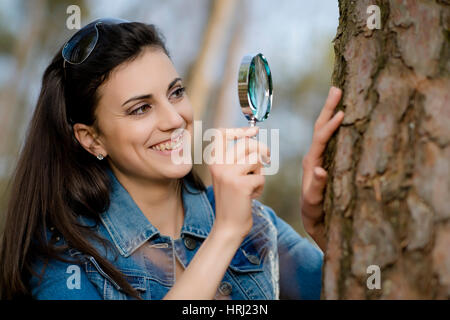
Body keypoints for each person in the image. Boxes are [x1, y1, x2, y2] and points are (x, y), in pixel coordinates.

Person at [0, 18, 344, 300]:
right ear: (92, 139)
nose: (174, 119)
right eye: (141, 108)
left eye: (176, 93)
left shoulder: (251, 221)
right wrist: (224, 235)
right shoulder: (65, 259)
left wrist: (320, 226)